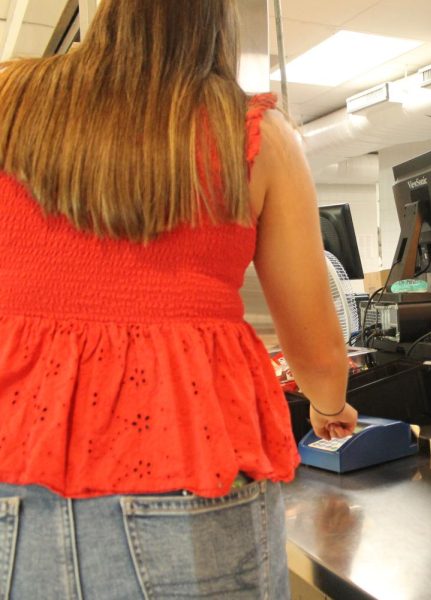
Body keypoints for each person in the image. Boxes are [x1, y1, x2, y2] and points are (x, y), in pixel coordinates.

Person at [0, 1, 356, 597]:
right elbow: (317, 351)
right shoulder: (252, 133)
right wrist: (328, 405)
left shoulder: (7, 100)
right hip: (186, 459)